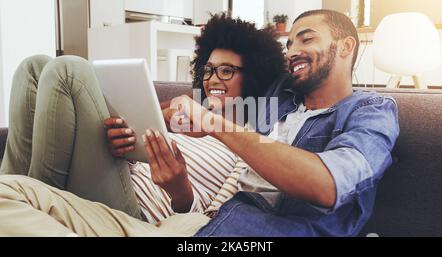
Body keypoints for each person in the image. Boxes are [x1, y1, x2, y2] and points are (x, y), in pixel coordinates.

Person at [0, 9, 399, 237]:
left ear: (347, 47)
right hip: (192, 223)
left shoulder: (370, 112)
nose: (292, 50)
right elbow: (191, 108)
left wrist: (210, 122)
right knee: (5, 192)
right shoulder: (279, 103)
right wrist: (152, 121)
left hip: (223, 235)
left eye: (305, 39)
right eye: (289, 43)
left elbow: (328, 186)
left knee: (69, 71)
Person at [0, 14, 286, 234]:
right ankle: (16, 197)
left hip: (135, 213)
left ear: (254, 76)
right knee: (34, 67)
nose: (213, 80)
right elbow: (134, 129)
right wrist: (119, 135)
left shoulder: (247, 142)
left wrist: (178, 187)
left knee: (69, 71)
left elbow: (210, 217)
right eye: (209, 70)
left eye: (227, 71)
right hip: (109, 176)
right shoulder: (185, 111)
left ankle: (33, 202)